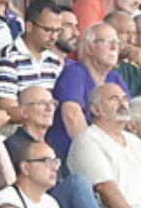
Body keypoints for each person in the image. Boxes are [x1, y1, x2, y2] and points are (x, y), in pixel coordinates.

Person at [47, 22, 128, 158]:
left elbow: (127, 115)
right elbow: (72, 116)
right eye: (107, 42)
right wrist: (95, 153)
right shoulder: (74, 74)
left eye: (117, 43)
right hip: (75, 156)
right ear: (89, 48)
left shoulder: (114, 77)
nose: (114, 47)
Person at [66, 82, 141, 208]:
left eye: (124, 98)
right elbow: (105, 188)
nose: (123, 103)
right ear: (95, 110)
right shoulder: (88, 140)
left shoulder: (135, 141)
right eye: (114, 99)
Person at [0, 0, 65, 124]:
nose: (54, 37)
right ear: (29, 26)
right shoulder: (7, 59)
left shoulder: (54, 62)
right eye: (47, 30)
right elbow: (7, 112)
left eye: (57, 31)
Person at [0, 139, 62, 208]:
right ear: (25, 168)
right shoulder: (6, 200)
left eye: (56, 162)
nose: (55, 168)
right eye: (47, 161)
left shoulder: (51, 203)